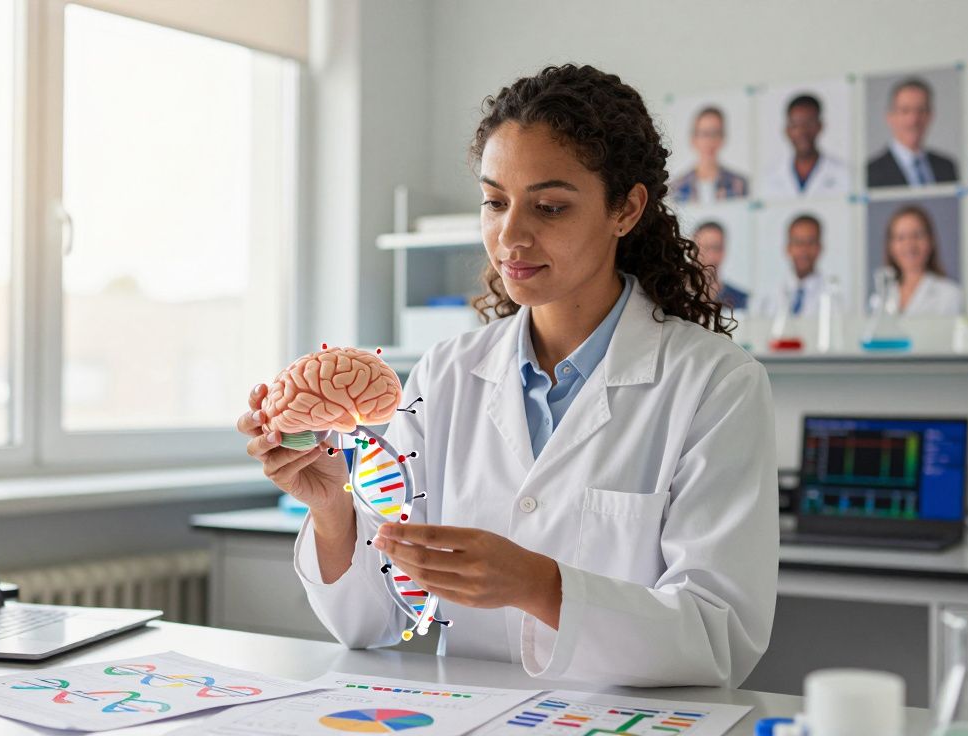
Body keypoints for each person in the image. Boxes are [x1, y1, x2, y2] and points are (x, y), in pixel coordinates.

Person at [238, 65, 777, 687]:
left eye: (549, 206)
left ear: (626, 209)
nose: (511, 235)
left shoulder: (715, 384)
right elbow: (376, 620)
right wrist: (334, 509)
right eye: (495, 202)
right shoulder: (444, 375)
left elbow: (718, 636)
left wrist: (539, 585)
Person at [867, 78, 959, 188]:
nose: (914, 120)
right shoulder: (870, 173)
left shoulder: (947, 167)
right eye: (905, 111)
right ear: (890, 117)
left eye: (921, 110)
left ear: (930, 115)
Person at [753, 214, 841, 318]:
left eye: (810, 242)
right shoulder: (769, 296)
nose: (804, 250)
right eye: (798, 242)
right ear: (788, 248)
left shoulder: (832, 296)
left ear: (819, 248)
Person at [761, 94, 848, 198]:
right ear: (787, 130)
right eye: (796, 125)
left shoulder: (844, 173)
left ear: (820, 126)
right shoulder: (769, 177)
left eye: (809, 123)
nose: (802, 131)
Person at [881, 205, 962, 315]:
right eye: (900, 238)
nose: (909, 244)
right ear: (890, 246)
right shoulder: (881, 298)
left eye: (917, 235)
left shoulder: (950, 295)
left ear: (931, 241)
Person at [671, 106, 749, 203]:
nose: (710, 141)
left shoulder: (739, 184)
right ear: (693, 139)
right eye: (705, 134)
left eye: (715, 133)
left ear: (722, 138)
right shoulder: (677, 188)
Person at [693, 220, 750, 312]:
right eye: (705, 248)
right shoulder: (677, 298)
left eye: (717, 248)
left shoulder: (742, 301)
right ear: (693, 250)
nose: (711, 256)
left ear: (724, 251)